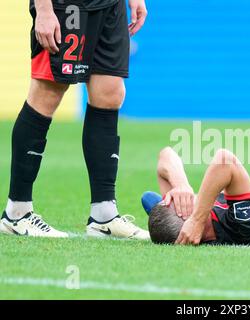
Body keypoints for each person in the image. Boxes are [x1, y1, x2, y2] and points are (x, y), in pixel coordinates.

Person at [0, 0, 149, 239]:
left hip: (109, 5)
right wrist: (44, 10)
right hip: (65, 5)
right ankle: (17, 213)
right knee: (48, 92)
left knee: (110, 93)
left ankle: (104, 216)